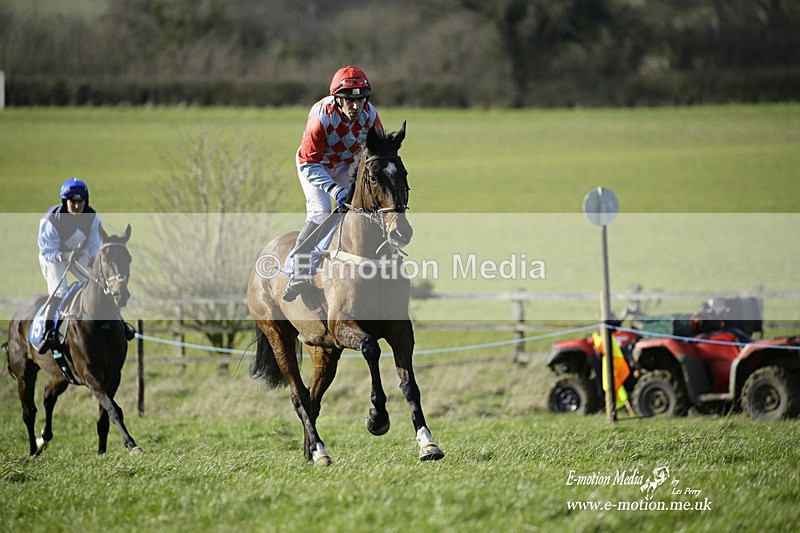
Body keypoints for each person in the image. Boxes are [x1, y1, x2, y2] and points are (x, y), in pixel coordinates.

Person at [283, 66, 384, 302]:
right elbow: (309, 163)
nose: (355, 107)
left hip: (345, 165)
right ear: (337, 100)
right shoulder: (321, 118)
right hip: (315, 165)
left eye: (360, 100)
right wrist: (334, 189)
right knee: (321, 211)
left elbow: (377, 154)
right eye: (349, 101)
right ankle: (299, 268)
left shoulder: (371, 116)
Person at [36, 178, 135, 353]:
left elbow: (94, 246)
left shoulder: (93, 217)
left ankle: (121, 324)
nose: (76, 206)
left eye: (80, 201)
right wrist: (65, 255)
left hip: (78, 254)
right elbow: (47, 251)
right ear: (65, 201)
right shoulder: (51, 220)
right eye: (72, 201)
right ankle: (48, 332)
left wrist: (90, 259)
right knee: (60, 292)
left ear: (85, 201)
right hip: (54, 258)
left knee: (99, 284)